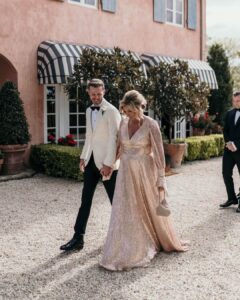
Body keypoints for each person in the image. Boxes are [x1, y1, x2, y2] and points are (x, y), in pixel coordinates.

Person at [100, 90, 188, 271]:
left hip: (145, 172)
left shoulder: (151, 124)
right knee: (126, 208)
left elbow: (159, 154)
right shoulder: (123, 123)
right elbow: (119, 148)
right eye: (125, 111)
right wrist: (109, 165)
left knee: (148, 205)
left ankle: (155, 239)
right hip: (125, 173)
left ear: (141, 107)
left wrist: (161, 180)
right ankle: (127, 245)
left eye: (131, 111)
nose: (128, 115)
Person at [60, 79, 121, 251]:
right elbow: (89, 136)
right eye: (93, 94)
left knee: (115, 202)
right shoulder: (88, 110)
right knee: (85, 200)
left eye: (99, 94)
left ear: (104, 92)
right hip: (90, 163)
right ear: (88, 92)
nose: (96, 97)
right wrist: (83, 156)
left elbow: (114, 140)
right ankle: (78, 238)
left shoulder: (112, 111)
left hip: (107, 164)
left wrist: (109, 164)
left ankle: (122, 237)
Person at [220, 91, 240, 213]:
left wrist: (236, 145)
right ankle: (232, 198)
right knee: (226, 173)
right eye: (235, 100)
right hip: (228, 150)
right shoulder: (229, 114)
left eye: (238, 100)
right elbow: (225, 130)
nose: (236, 102)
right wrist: (228, 143)